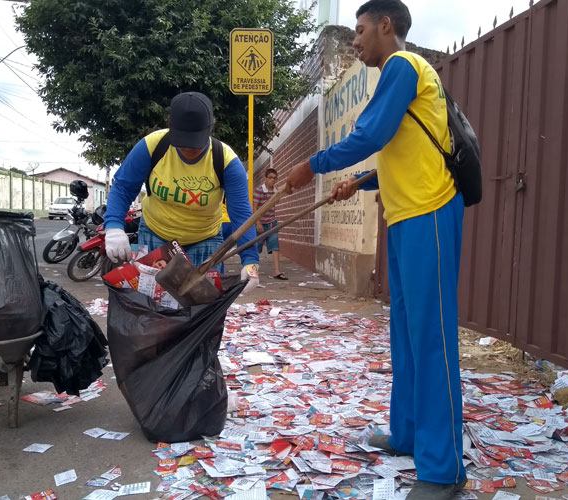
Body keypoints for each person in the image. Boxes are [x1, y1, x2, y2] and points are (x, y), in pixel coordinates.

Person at [285, 1, 465, 498]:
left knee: (431, 338)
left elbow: (371, 134)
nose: (356, 41)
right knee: (406, 333)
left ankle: (443, 470)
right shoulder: (396, 75)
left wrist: (313, 167)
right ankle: (407, 434)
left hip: (430, 212)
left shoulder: (403, 66)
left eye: (361, 31)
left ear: (387, 25)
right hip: (407, 217)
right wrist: (361, 182)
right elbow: (399, 148)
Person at [103, 92, 260, 293]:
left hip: (205, 241)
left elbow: (241, 214)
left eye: (195, 141)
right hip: (156, 235)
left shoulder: (225, 160)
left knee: (201, 306)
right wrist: (114, 226)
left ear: (210, 128)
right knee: (153, 304)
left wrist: (251, 261)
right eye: (182, 141)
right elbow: (124, 187)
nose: (188, 149)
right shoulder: (152, 146)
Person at [253, 168, 287, 280]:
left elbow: (276, 202)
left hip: (271, 222)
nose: (272, 180)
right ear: (265, 179)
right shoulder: (259, 190)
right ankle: (253, 271)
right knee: (256, 248)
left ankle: (277, 271)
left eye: (274, 178)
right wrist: (258, 223)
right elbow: (254, 208)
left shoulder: (275, 191)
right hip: (260, 223)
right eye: (270, 178)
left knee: (275, 246)